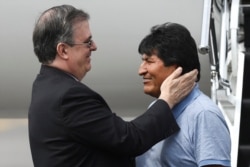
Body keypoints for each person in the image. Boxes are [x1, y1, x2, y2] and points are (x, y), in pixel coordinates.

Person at [28, 5, 198, 167]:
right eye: (87, 42)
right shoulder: (68, 96)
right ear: (63, 50)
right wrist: (167, 100)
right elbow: (130, 139)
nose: (94, 47)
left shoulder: (44, 86)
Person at [135, 22, 231, 167]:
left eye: (149, 61)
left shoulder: (203, 114)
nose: (141, 70)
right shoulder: (156, 107)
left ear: (176, 68)